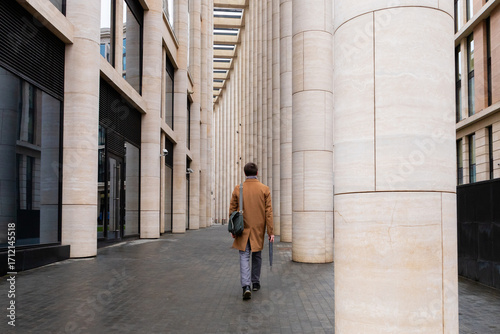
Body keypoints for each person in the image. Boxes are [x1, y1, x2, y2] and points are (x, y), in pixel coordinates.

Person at [229, 162, 274, 300]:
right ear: (257, 173)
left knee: (244, 255)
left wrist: (233, 228)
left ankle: (246, 286)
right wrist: (270, 232)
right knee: (257, 255)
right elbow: (269, 212)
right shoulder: (264, 189)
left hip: (242, 228)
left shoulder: (238, 189)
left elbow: (232, 210)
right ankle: (255, 282)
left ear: (244, 173)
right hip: (258, 229)